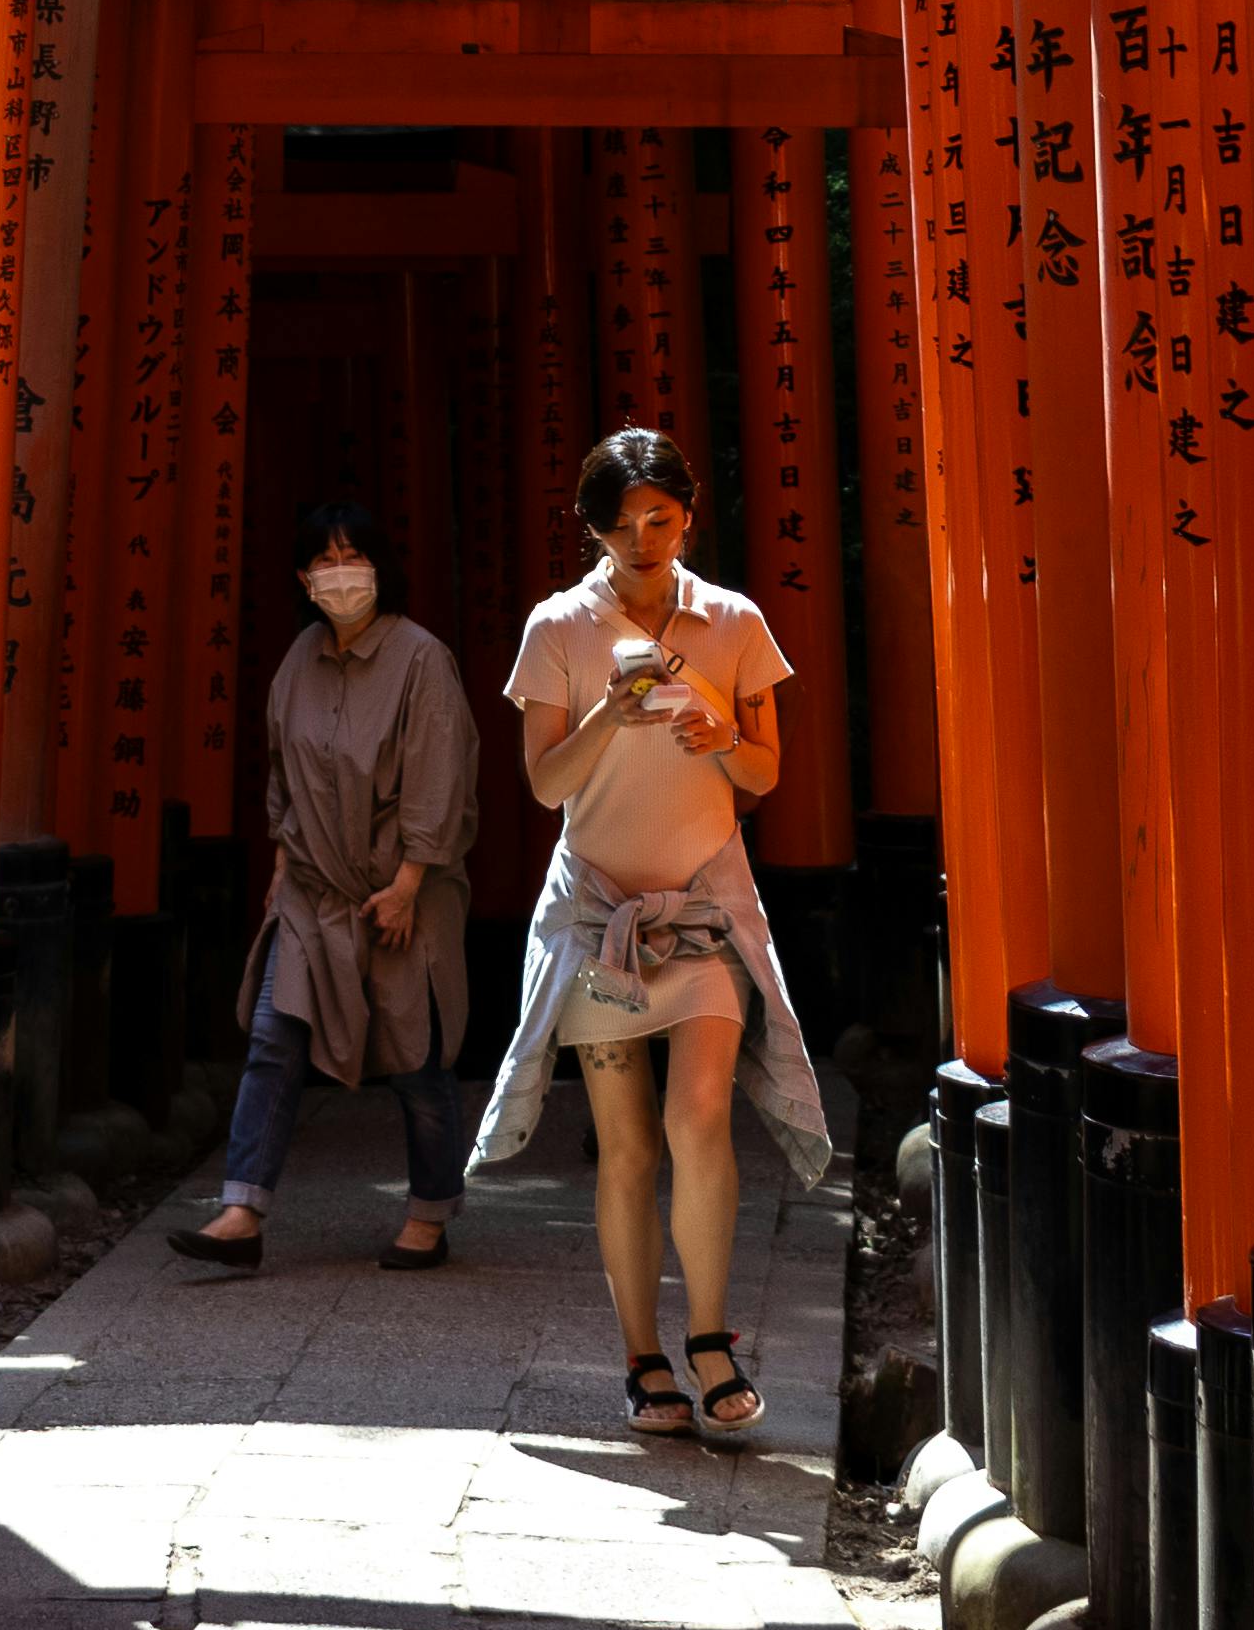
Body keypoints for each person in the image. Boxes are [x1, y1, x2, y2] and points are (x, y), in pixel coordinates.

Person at [472, 426, 832, 1437]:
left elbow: (762, 775)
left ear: (687, 517)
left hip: (705, 902)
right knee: (626, 1145)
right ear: (590, 527)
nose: (642, 541)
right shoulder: (558, 626)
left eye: (659, 521)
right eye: (621, 524)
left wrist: (721, 729)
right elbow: (543, 782)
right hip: (600, 912)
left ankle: (711, 1337)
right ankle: (643, 1358)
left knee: (701, 1117)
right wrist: (610, 714)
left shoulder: (732, 621)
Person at [168, 502, 482, 1273]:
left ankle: (431, 1211)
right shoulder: (298, 658)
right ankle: (242, 1210)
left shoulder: (421, 658)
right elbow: (283, 775)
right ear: (303, 577)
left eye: (353, 556)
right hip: (310, 889)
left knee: (416, 1058)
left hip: (402, 889)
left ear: (379, 567)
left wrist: (410, 882)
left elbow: (440, 779)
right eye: (324, 560)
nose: (339, 573)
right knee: (274, 1037)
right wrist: (279, 877)